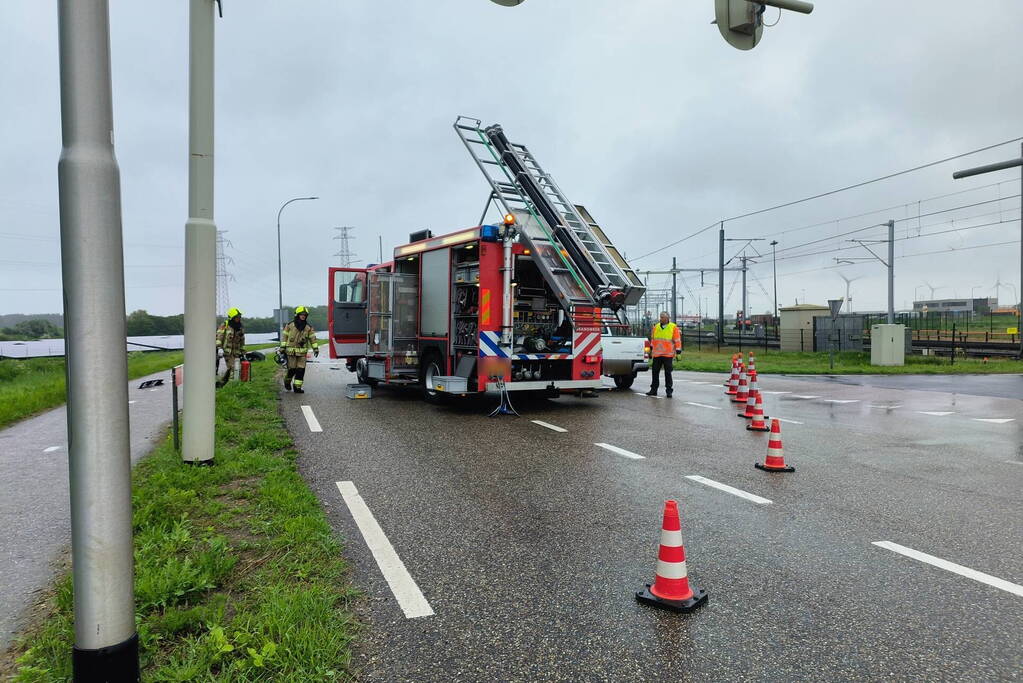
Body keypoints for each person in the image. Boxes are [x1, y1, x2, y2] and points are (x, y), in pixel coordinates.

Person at [280, 305, 319, 393]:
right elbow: (284, 337)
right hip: (291, 353)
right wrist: (282, 347)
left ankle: (297, 387)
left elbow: (313, 338)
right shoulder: (290, 325)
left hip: (302, 353)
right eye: (301, 315)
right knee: (292, 370)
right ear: (297, 315)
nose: (303, 316)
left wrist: (315, 348)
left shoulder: (308, 327)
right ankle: (287, 382)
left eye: (305, 315)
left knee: (301, 370)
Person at [646, 311, 681, 397]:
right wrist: (650, 350)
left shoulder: (673, 327)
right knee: (655, 372)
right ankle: (653, 390)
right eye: (660, 317)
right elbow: (653, 340)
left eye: (662, 317)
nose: (660, 319)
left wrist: (678, 352)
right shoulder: (656, 327)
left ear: (667, 318)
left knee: (668, 373)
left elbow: (677, 340)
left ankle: (669, 391)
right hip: (657, 354)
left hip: (668, 355)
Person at [215, 307, 245, 388]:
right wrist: (219, 348)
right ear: (232, 318)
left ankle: (221, 383)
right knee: (233, 367)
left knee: (230, 368)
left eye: (239, 317)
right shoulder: (225, 325)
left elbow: (242, 340)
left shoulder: (240, 327)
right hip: (227, 352)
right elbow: (219, 337)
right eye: (237, 317)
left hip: (236, 352)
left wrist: (243, 350)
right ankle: (232, 386)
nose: (239, 319)